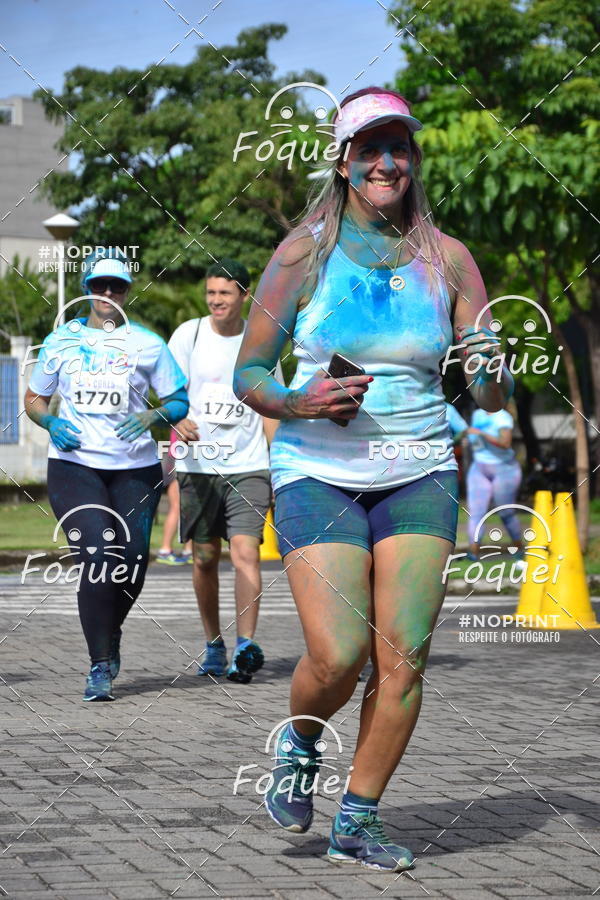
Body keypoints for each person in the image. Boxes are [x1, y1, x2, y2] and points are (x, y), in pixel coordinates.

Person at [234, 87, 513, 871]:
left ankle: (356, 820)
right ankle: (298, 744)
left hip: (419, 468)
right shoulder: (304, 252)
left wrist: (490, 371)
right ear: (345, 160)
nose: (387, 161)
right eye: (370, 148)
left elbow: (488, 391)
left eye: (400, 147)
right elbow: (248, 372)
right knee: (339, 652)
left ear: (414, 158)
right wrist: (298, 400)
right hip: (316, 469)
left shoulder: (450, 259)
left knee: (404, 655)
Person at [25, 250, 188, 702]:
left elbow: (179, 400)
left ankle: (108, 630)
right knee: (98, 554)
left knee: (132, 561)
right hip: (74, 466)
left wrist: (156, 415)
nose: (108, 294)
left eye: (116, 286)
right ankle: (99, 664)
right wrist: (51, 423)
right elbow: (34, 399)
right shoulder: (62, 340)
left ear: (127, 292)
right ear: (87, 290)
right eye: (100, 286)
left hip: (135, 468)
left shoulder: (149, 344)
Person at [168, 259, 281, 684]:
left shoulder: (260, 342)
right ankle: (214, 642)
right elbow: (168, 390)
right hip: (197, 466)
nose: (216, 300)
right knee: (204, 558)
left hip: (249, 465)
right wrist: (176, 420)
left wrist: (278, 467)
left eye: (225, 293)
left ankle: (245, 646)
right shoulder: (189, 335)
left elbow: (272, 407)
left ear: (244, 296)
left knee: (245, 551)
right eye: (211, 293)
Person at [466, 400, 523, 559]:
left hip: (504, 469)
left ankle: (519, 549)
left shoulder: (503, 417)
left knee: (506, 512)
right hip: (479, 467)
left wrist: (482, 434)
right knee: (476, 512)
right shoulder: (477, 414)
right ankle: (473, 554)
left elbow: (505, 443)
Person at [157, 428, 193, 565]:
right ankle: (165, 550)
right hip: (179, 461)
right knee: (177, 507)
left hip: (182, 460)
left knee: (190, 508)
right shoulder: (185, 412)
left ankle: (189, 550)